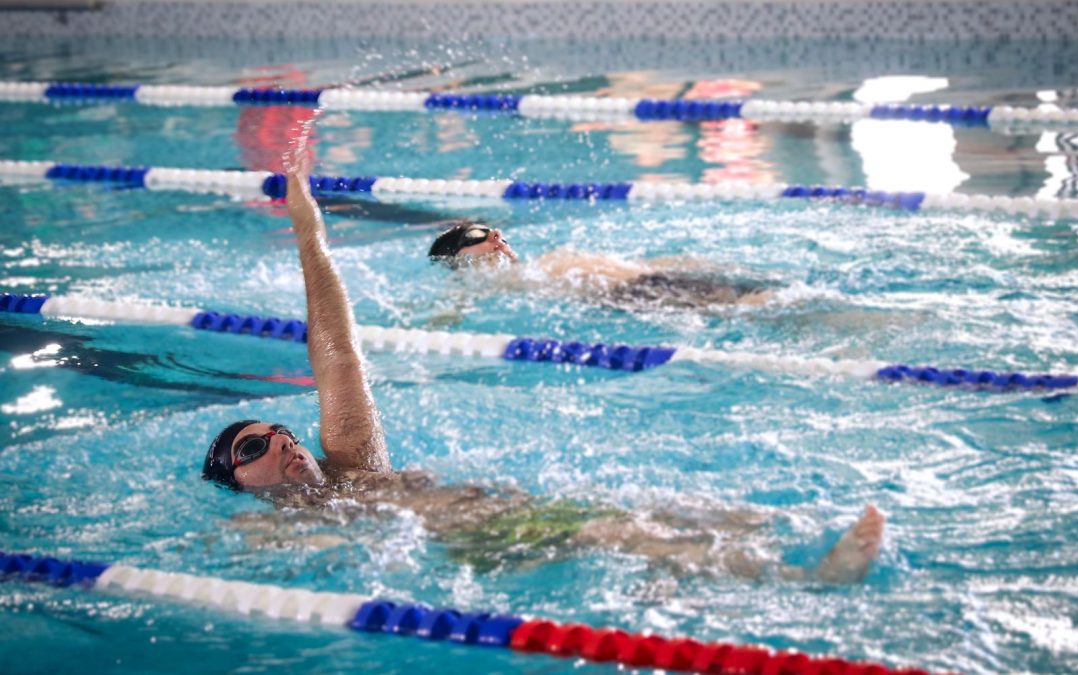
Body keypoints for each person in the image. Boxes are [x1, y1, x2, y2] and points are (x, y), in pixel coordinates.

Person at [202, 170, 885, 582]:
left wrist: (310, 238)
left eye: (279, 431)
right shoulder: (285, 521)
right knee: (622, 534)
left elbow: (338, 353)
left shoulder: (352, 459)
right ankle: (806, 578)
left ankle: (773, 546)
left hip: (505, 507)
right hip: (484, 540)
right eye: (252, 448)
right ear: (235, 483)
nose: (281, 443)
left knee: (675, 514)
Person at [427, 221, 776, 311]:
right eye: (478, 235)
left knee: (767, 296)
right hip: (636, 292)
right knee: (762, 302)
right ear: (461, 259)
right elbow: (453, 308)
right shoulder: (493, 284)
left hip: (655, 279)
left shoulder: (534, 267)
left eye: (492, 230)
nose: (495, 235)